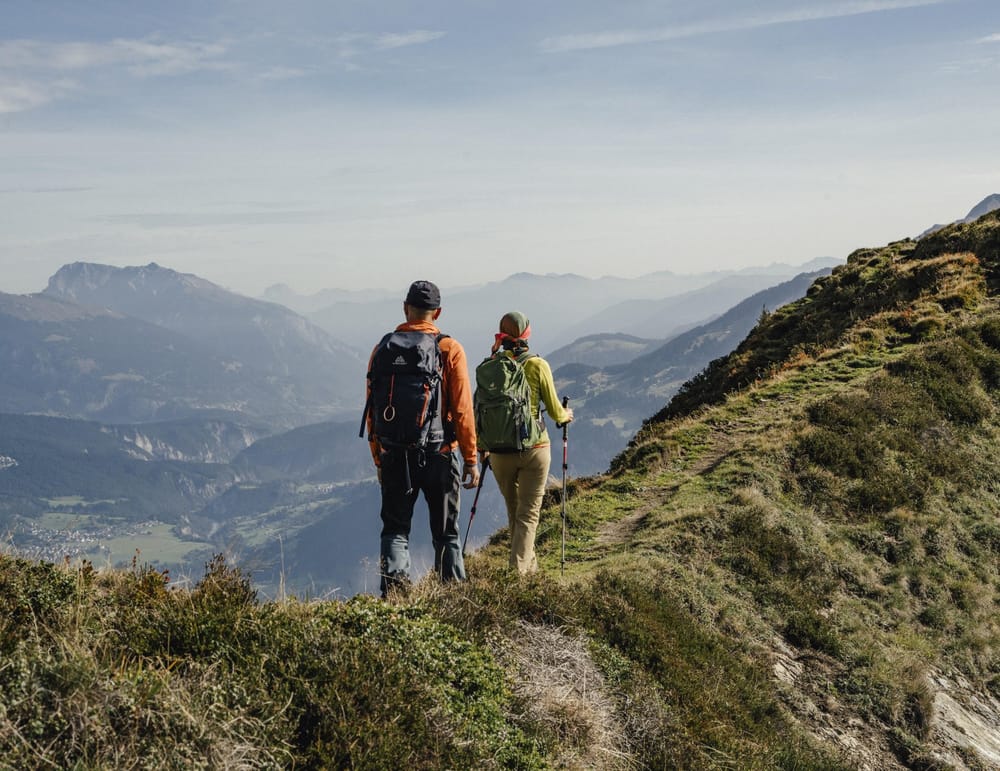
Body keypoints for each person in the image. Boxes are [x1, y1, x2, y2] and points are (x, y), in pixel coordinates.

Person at [365, 280, 480, 597]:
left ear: (405, 308)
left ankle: (395, 599)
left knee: (395, 529)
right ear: (437, 313)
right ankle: (453, 597)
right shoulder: (449, 349)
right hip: (439, 454)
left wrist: (379, 458)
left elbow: (372, 411)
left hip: (394, 454)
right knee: (446, 532)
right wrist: (471, 459)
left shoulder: (382, 349)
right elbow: (462, 409)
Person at [483, 311, 572, 574]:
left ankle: (529, 571)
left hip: (499, 451)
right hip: (534, 449)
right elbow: (555, 412)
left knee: (514, 512)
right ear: (526, 334)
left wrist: (481, 447)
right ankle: (517, 577)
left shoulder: (491, 366)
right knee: (528, 514)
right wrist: (566, 415)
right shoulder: (537, 365)